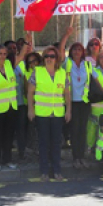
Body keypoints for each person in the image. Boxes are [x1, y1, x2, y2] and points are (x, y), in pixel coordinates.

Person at [27, 46, 71, 181]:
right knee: (43, 143)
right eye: (46, 56)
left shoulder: (63, 73)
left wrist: (69, 110)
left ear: (56, 59)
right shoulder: (37, 71)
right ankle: (44, 172)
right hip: (42, 113)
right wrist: (30, 109)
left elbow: (67, 94)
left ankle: (57, 171)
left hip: (57, 113)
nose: (49, 59)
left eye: (52, 56)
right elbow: (30, 92)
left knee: (56, 143)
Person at [59, 27, 96, 169]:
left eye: (79, 49)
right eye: (74, 49)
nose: (76, 52)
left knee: (83, 130)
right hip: (72, 102)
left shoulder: (87, 64)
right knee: (74, 130)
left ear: (83, 52)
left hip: (84, 102)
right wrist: (66, 35)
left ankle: (82, 157)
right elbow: (61, 50)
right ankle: (75, 158)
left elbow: (94, 80)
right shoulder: (67, 63)